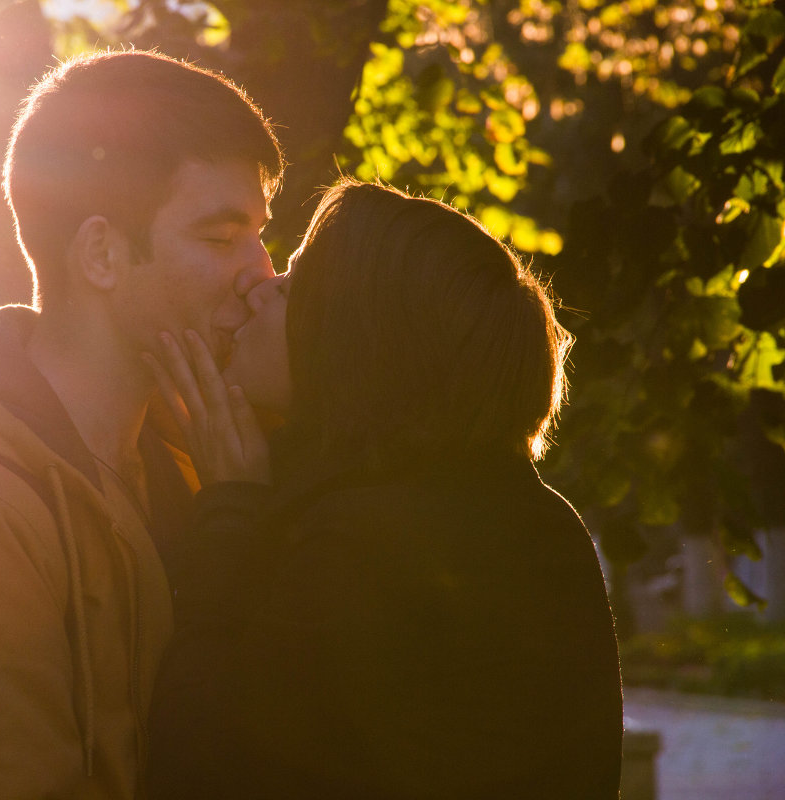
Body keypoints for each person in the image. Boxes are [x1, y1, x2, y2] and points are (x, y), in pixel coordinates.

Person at [0, 50, 284, 799]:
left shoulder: (192, 460)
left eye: (260, 233)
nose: (261, 272)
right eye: (219, 237)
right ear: (102, 253)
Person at [145, 180, 623, 799]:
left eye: (294, 287)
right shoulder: (532, 518)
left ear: (347, 338)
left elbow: (199, 760)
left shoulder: (364, 543)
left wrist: (231, 513)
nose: (259, 289)